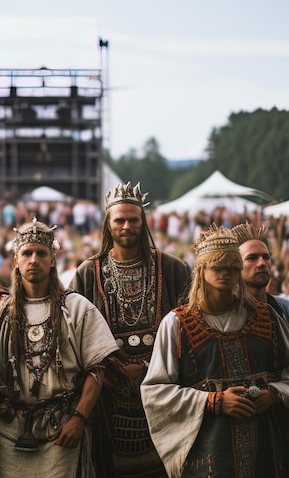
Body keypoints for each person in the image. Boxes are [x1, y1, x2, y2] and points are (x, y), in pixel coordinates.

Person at [141, 224, 289, 478]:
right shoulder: (177, 324)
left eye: (233, 268)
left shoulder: (266, 317)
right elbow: (155, 391)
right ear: (202, 270)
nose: (226, 274)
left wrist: (275, 393)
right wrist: (213, 401)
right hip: (209, 450)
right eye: (217, 267)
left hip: (265, 444)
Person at [69, 181, 190, 477]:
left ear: (143, 222)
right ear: (108, 225)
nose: (126, 226)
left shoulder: (173, 268)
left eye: (133, 219)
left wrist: (151, 367)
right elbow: (75, 334)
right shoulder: (88, 272)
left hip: (164, 386)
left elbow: (190, 326)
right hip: (107, 393)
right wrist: (119, 368)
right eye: (119, 220)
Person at [0, 218, 120, 477]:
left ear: (53, 259)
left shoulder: (76, 307)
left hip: (62, 430)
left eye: (41, 253)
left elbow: (98, 368)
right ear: (16, 260)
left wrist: (79, 418)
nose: (33, 259)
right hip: (8, 433)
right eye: (26, 253)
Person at [232, 221, 289, 478]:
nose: (261, 262)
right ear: (236, 265)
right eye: (252, 258)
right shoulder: (226, 314)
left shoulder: (288, 311)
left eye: (266, 257)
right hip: (244, 422)